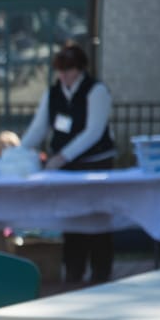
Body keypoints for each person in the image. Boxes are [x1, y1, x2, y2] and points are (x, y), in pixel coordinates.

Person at [20, 42, 116, 284]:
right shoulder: (53, 93)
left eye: (69, 70)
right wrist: (16, 152)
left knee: (97, 218)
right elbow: (39, 128)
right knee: (73, 219)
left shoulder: (96, 91)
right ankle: (74, 271)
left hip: (96, 165)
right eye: (61, 70)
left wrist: (62, 157)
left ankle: (101, 272)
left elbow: (94, 131)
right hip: (67, 170)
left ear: (80, 69)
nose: (64, 76)